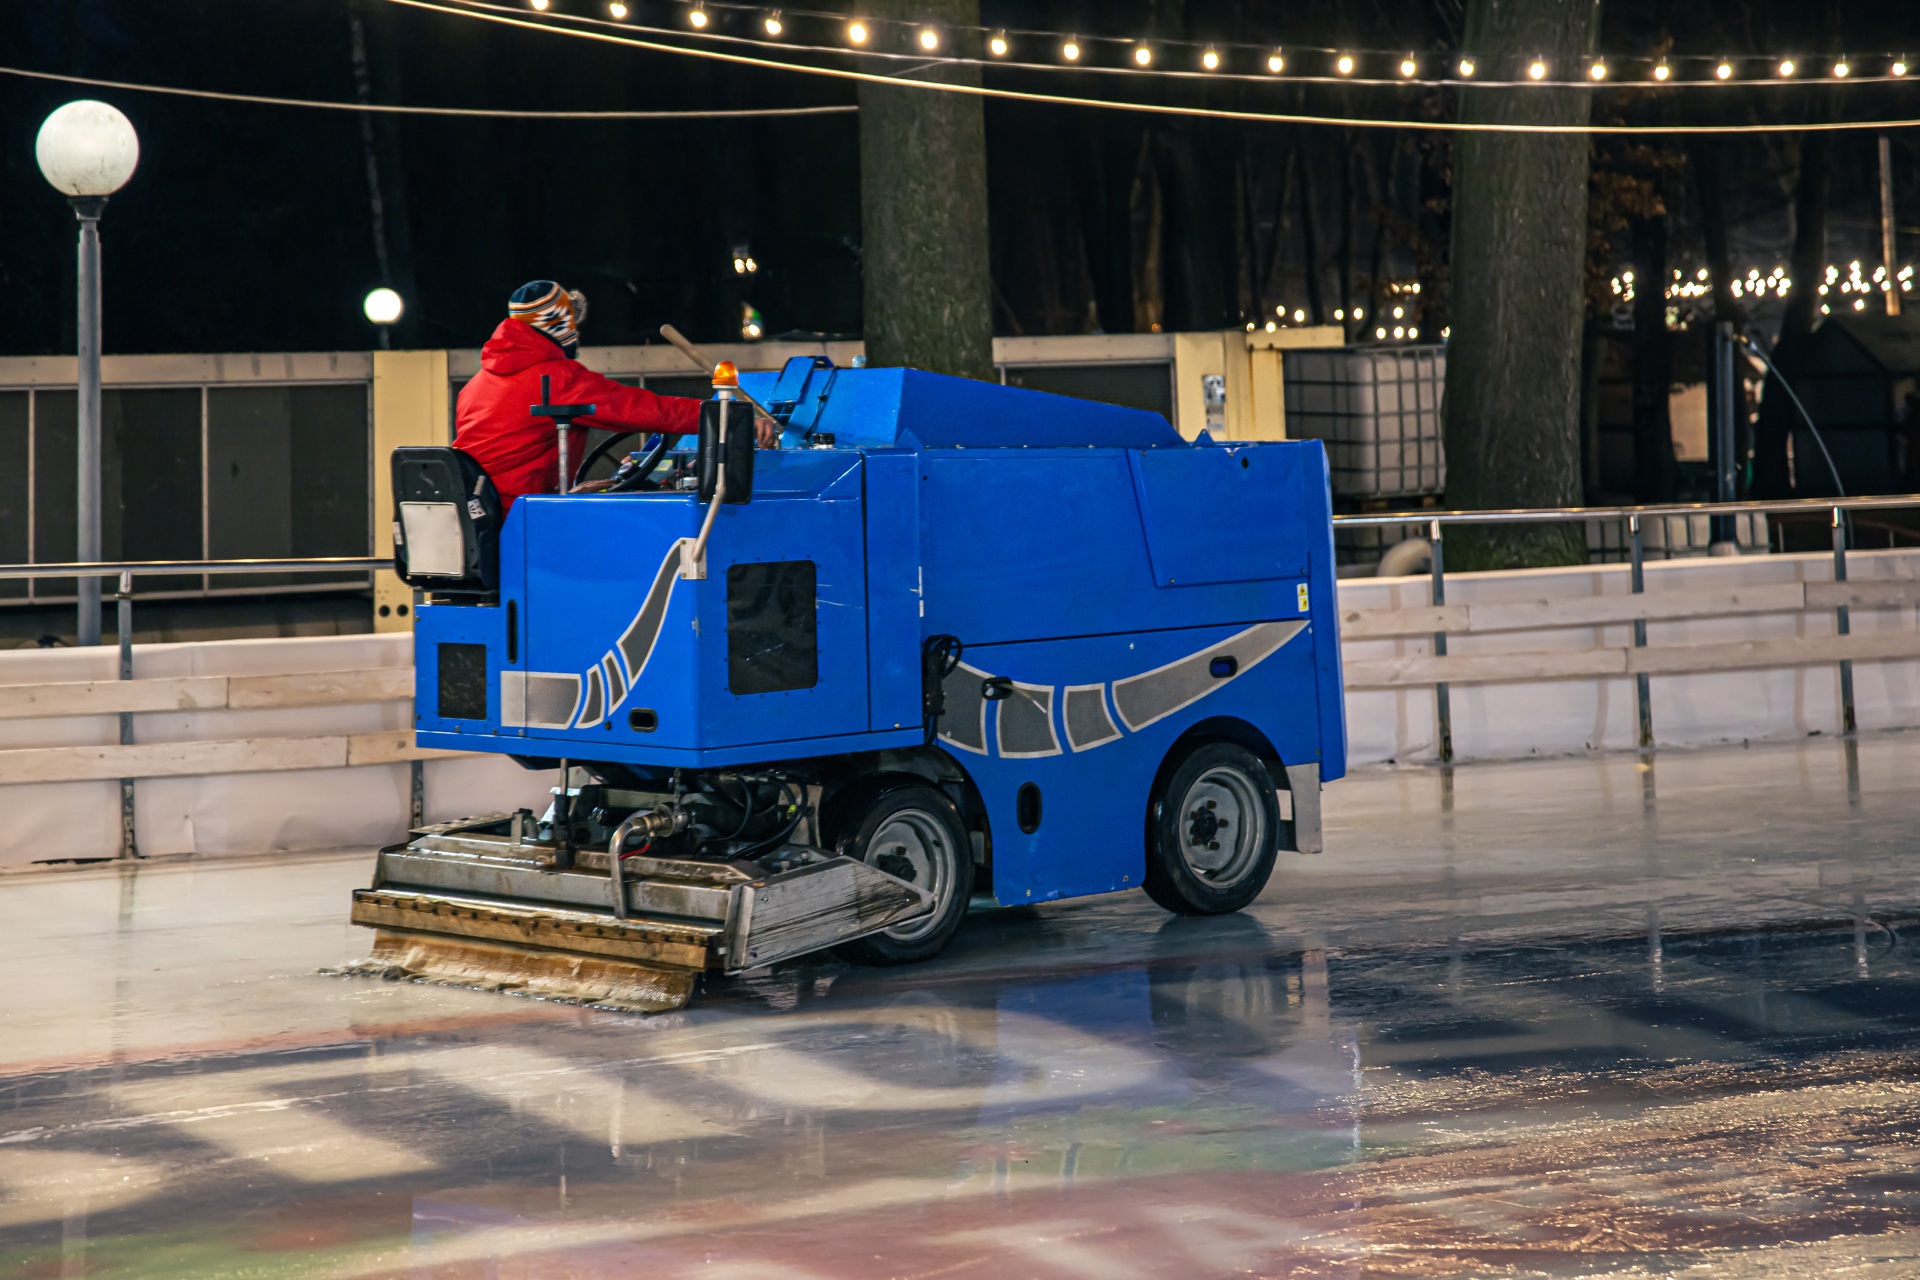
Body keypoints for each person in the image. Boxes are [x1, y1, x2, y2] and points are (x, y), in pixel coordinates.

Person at [453, 280, 770, 509]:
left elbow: (508, 462)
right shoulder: (556, 377)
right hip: (521, 521)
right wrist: (728, 417)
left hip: (482, 518)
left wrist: (571, 492)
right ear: (558, 323)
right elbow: (643, 409)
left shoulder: (474, 386)